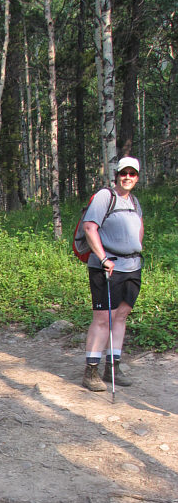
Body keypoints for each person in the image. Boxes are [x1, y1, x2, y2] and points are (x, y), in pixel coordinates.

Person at [81, 156, 144, 392]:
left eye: (132, 174)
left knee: (121, 315)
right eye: (123, 173)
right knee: (103, 318)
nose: (127, 177)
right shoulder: (105, 197)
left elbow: (139, 228)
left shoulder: (134, 202)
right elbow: (89, 227)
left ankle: (113, 366)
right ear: (116, 175)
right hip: (106, 267)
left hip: (131, 267)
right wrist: (104, 258)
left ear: (137, 177)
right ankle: (91, 370)